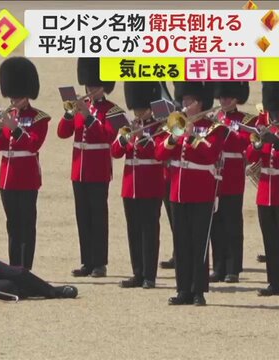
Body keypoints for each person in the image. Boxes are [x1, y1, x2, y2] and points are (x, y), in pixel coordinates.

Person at [155, 82, 228, 306]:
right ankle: (183, 289)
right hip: (178, 192)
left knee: (199, 243)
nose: (184, 104)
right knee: (182, 242)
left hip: (201, 191)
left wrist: (191, 136)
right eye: (184, 100)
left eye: (189, 101)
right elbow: (159, 153)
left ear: (200, 103)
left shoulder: (214, 128)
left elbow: (209, 154)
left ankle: (199, 291)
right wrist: (175, 137)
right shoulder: (177, 124)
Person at [57, 57, 126, 278]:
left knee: (98, 216)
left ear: (104, 87)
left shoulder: (113, 111)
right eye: (89, 86)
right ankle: (87, 260)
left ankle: (100, 262)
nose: (91, 90)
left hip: (98, 169)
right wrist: (70, 114)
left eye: (95, 86)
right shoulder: (79, 107)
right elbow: (62, 133)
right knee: (82, 216)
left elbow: (108, 136)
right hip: (79, 168)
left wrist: (88, 119)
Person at [0, 57, 50, 270]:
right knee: (12, 225)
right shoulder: (7, 115)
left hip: (26, 177)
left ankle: (26, 268)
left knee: (26, 225)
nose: (14, 100)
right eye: (12, 96)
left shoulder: (38, 118)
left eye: (18, 96)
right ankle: (14, 266)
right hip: (7, 177)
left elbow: (34, 144)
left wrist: (15, 128)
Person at [111, 82, 165, 289]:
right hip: (130, 186)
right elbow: (115, 152)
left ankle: (149, 275)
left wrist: (141, 138)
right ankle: (138, 273)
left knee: (149, 232)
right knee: (133, 231)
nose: (139, 112)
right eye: (137, 109)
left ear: (150, 108)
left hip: (150, 186)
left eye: (142, 109)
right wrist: (126, 139)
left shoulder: (159, 128)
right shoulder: (129, 126)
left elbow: (157, 153)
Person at [209, 82, 255, 283]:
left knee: (232, 223)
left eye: (228, 97)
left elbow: (245, 143)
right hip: (215, 177)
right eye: (222, 97)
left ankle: (233, 268)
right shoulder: (214, 118)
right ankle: (218, 266)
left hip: (233, 176)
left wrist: (228, 130)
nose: (224, 101)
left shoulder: (246, 121)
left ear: (236, 98)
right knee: (216, 224)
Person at [246, 81, 279, 297]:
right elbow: (251, 155)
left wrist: (276, 141)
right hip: (266, 191)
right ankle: (274, 282)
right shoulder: (264, 121)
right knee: (270, 240)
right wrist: (257, 145)